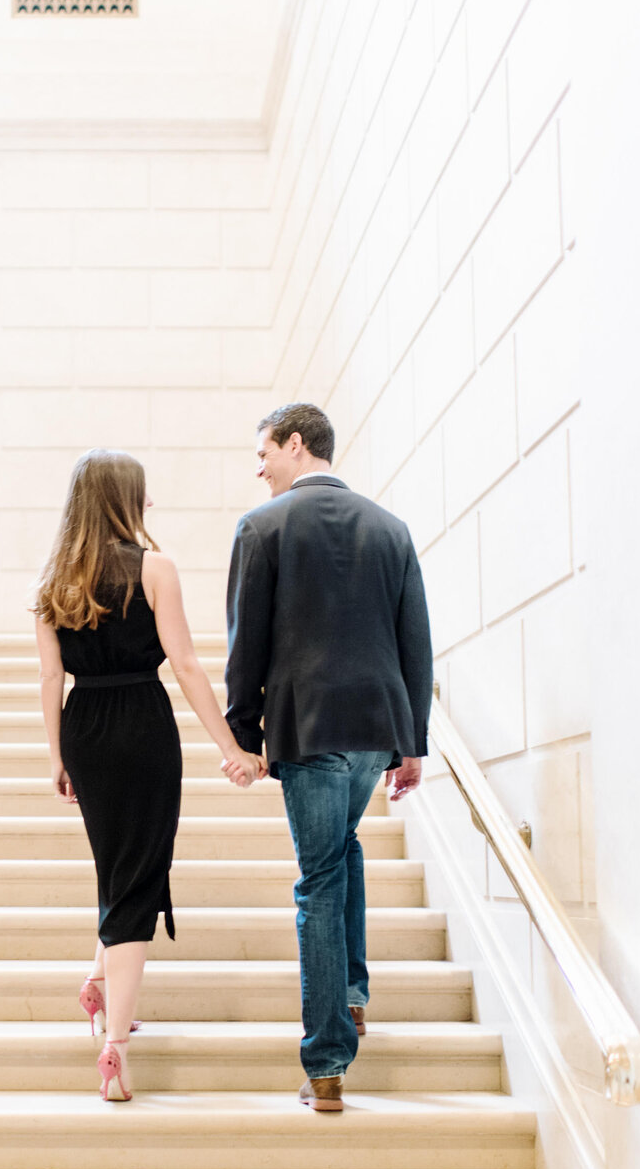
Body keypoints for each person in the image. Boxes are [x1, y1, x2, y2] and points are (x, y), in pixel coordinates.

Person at [34, 448, 264, 1103]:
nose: (150, 504)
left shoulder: (55, 582)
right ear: (122, 500)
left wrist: (56, 755)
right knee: (137, 876)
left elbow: (51, 678)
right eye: (143, 494)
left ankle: (101, 982)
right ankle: (116, 1046)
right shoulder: (154, 568)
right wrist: (233, 748)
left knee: (121, 866)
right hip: (141, 721)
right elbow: (186, 664)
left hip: (84, 726)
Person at [224, 402, 433, 1113]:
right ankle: (350, 992)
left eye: (264, 453)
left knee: (317, 881)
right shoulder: (391, 528)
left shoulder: (262, 527)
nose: (260, 468)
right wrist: (412, 741)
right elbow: (416, 644)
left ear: (295, 442)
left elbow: (243, 643)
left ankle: (327, 1062)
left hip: (309, 728)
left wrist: (244, 736)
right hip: (377, 727)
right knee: (341, 850)